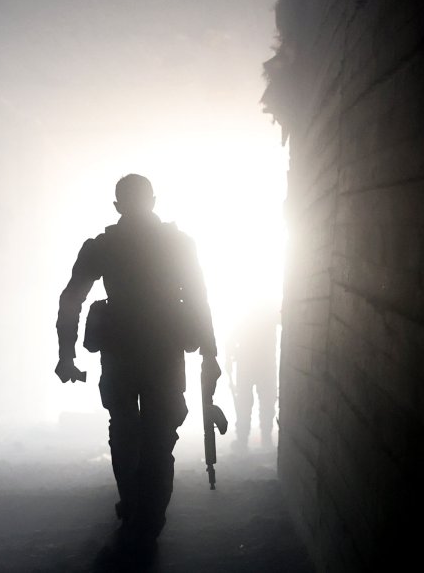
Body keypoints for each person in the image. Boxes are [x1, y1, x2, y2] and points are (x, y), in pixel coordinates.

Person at [55, 174, 221, 563]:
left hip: (121, 354)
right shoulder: (178, 244)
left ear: (117, 206)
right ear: (153, 201)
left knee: (127, 434)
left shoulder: (103, 246)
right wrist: (210, 353)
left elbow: (71, 300)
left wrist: (66, 353)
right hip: (162, 353)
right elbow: (200, 300)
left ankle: (135, 513)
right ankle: (145, 524)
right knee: (158, 439)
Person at [229, 305, 279, 452]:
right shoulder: (268, 309)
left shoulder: (244, 310)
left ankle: (244, 441)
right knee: (264, 402)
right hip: (264, 364)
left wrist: (228, 358)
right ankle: (263, 440)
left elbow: (231, 336)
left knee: (247, 403)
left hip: (248, 364)